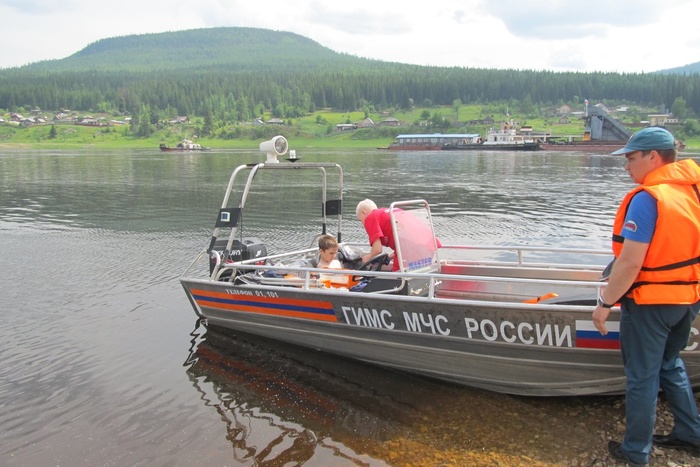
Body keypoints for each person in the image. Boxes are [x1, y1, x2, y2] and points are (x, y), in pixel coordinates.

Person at [592, 126, 700, 466]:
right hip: (688, 299)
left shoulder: (648, 199)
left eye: (631, 159)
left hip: (651, 303)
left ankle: (636, 452)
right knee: (670, 364)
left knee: (642, 376)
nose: (627, 167)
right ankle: (691, 434)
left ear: (654, 157)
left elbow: (631, 262)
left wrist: (605, 302)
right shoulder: (692, 192)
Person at [356, 199, 440, 272]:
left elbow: (377, 249)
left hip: (411, 249)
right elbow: (404, 241)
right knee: (418, 278)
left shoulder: (371, 218)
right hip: (428, 245)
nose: (363, 224)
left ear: (364, 212)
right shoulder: (393, 211)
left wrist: (368, 257)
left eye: (361, 220)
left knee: (398, 280)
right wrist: (389, 257)